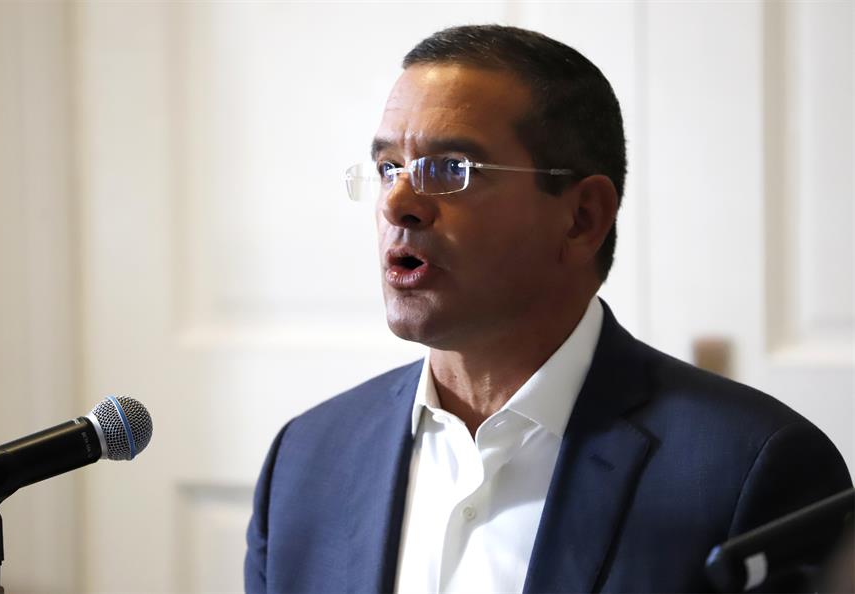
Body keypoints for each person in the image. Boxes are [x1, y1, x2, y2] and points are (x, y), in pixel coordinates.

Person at [244, 25, 851, 593]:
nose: (396, 203)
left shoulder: (751, 469)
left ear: (582, 217)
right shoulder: (306, 460)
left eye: (451, 169)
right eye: (388, 168)